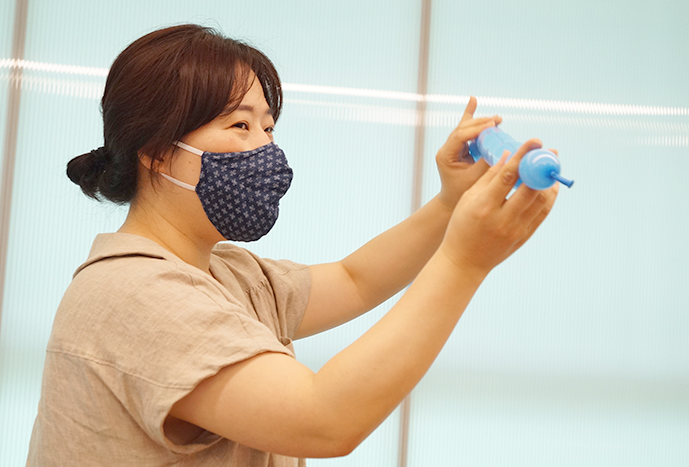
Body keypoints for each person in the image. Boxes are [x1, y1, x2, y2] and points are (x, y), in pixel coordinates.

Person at [27, 24, 558, 466]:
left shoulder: (227, 273)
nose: (266, 149)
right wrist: (465, 262)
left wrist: (449, 204)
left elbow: (355, 279)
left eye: (269, 127)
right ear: (157, 152)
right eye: (240, 125)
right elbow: (324, 421)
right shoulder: (137, 294)